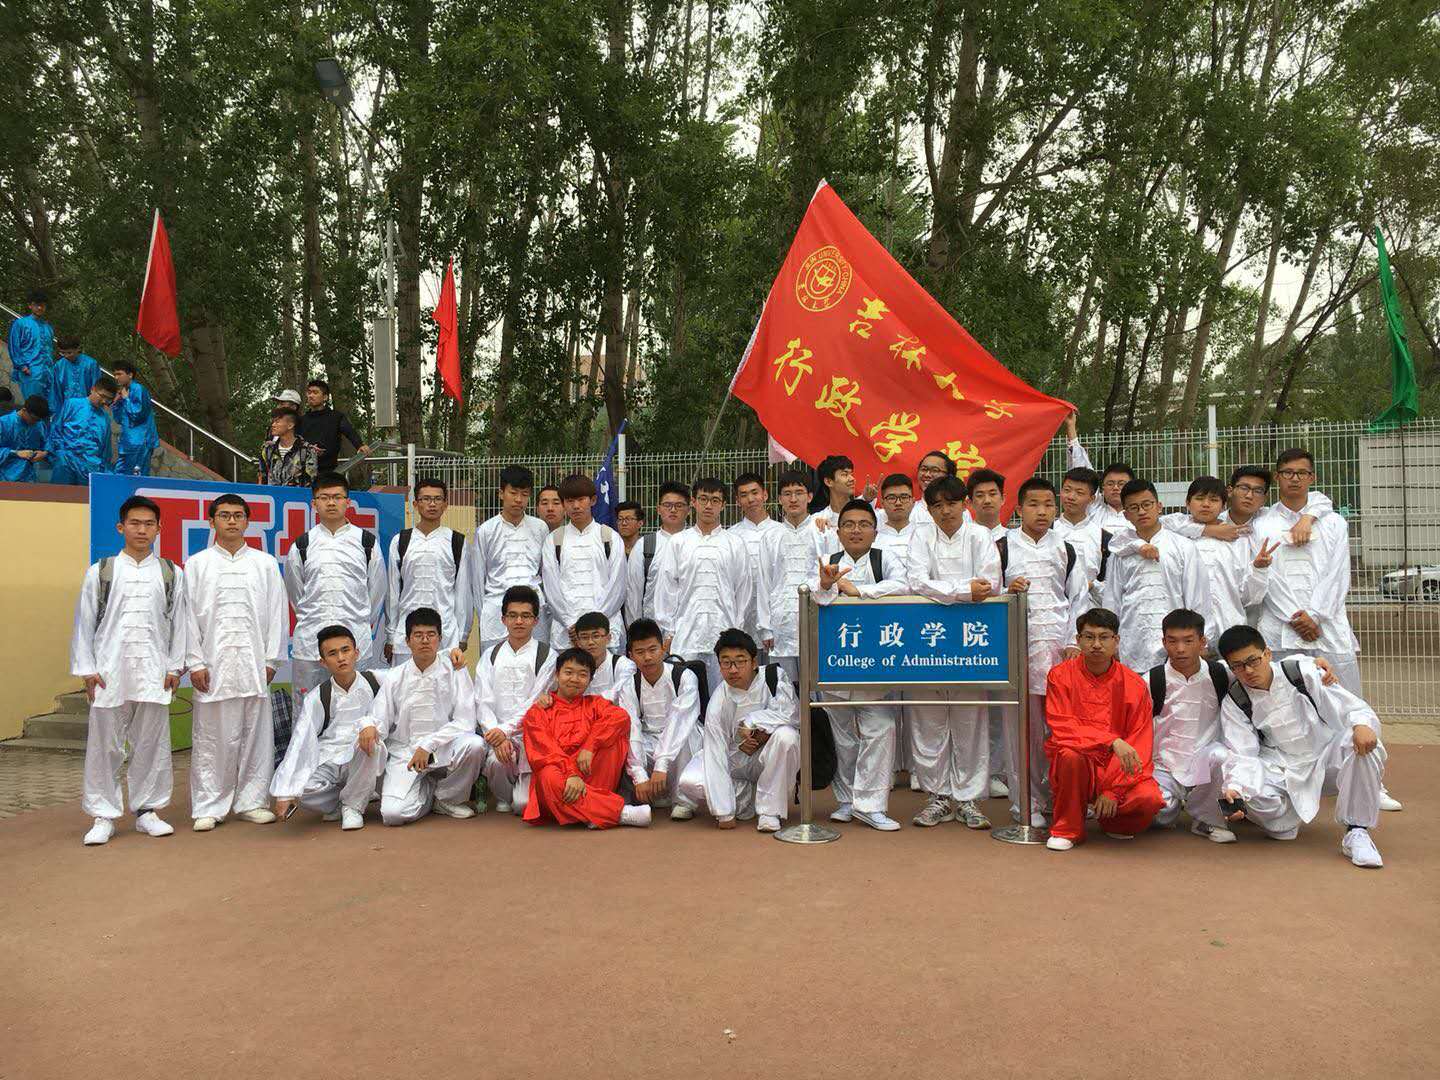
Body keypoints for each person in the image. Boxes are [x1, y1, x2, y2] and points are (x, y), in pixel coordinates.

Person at [1216, 624, 1386, 868]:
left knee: (1364, 745)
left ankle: (1357, 831)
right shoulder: (1235, 700)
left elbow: (1352, 707)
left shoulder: (1301, 672)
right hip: (1283, 767)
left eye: (1253, 660)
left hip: (1326, 756)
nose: (1249, 670)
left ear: (1268, 654)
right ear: (1230, 667)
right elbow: (1243, 754)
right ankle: (1284, 820)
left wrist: (1362, 724)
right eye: (1238, 666)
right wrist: (1236, 788)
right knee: (1248, 795)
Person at [71, 495, 187, 846]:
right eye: (134, 523)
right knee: (105, 746)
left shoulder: (170, 573)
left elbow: (179, 624)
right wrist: (87, 669)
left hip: (154, 672)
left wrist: (174, 666)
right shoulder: (102, 571)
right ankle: (103, 814)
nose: (141, 530)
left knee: (151, 744)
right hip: (110, 672)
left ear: (159, 529)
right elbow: (84, 623)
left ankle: (147, 811)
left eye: (149, 524)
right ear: (121, 527)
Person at [182, 494, 289, 831]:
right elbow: (187, 618)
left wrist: (272, 660)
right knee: (211, 739)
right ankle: (209, 805)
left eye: (238, 515)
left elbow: (278, 614)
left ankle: (251, 801)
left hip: (254, 666)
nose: (231, 521)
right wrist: (195, 662)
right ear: (211, 520)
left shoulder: (265, 564)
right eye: (224, 515)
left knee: (255, 737)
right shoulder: (197, 565)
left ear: (247, 521)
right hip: (212, 667)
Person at [904, 475, 1002, 828]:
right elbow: (916, 582)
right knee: (927, 720)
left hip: (971, 643)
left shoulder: (980, 536)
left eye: (952, 503)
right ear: (928, 509)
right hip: (927, 642)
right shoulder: (921, 536)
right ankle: (938, 797)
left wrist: (947, 591)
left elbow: (990, 584)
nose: (945, 511)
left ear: (965, 504)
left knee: (970, 720)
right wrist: (962, 592)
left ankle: (968, 798)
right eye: (937, 505)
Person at [997, 476, 1092, 825]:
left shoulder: (1066, 549)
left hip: (1059, 652)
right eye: (1034, 504)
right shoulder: (1002, 547)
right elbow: (987, 593)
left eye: (1048, 505)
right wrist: (1006, 589)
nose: (1041, 511)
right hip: (1017, 651)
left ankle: (1061, 795)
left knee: (1063, 729)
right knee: (1022, 731)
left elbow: (1078, 599)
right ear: (1019, 509)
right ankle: (1026, 802)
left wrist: (1073, 643)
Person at [811, 498, 908, 831]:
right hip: (836, 662)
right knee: (843, 738)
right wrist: (827, 584)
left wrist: (859, 592)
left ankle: (871, 805)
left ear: (875, 531)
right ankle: (846, 800)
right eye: (849, 525)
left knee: (880, 729)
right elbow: (813, 595)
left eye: (864, 524)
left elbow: (903, 586)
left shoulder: (885, 558)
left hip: (876, 664)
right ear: (838, 532)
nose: (856, 530)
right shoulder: (828, 562)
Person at [1043, 608, 1164, 851]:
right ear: (1078, 640)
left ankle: (1115, 822)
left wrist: (1113, 790)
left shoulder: (1134, 684)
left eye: (1104, 637)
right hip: (1079, 761)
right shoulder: (1060, 675)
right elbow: (1062, 725)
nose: (1096, 644)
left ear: (1116, 640)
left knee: (1149, 798)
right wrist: (1111, 741)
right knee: (1069, 755)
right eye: (1089, 637)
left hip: (1116, 767)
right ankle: (1068, 829)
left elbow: (1139, 741)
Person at [369, 607, 487, 825]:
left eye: (431, 635)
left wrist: (429, 744)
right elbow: (380, 720)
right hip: (407, 753)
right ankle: (429, 791)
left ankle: (447, 798)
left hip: (444, 748)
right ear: (407, 641)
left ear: (440, 639)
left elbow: (466, 721)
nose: (425, 640)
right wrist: (369, 727)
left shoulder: (454, 669)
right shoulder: (395, 677)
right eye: (418, 635)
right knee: (393, 815)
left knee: (475, 745)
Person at [676, 629, 801, 833]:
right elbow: (715, 752)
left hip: (766, 757)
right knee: (689, 782)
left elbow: (792, 715)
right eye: (726, 663)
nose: (733, 670)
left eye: (740, 661)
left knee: (787, 737)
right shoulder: (719, 700)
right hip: (736, 762)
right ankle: (745, 797)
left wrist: (752, 722)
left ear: (754, 662)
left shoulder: (773, 677)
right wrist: (724, 812)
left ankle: (769, 811)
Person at [284, 472, 387, 712]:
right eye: (324, 497)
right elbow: (296, 594)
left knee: (357, 709)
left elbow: (376, 593)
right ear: (314, 503)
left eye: (337, 497)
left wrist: (360, 620)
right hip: (311, 643)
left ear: (348, 502)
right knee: (307, 710)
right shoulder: (302, 545)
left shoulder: (366, 543)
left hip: (354, 640)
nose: (331, 503)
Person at [521, 647, 653, 829]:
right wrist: (571, 774)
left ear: (590, 680)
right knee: (547, 775)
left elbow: (620, 717)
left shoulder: (595, 704)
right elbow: (546, 751)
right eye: (568, 673)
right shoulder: (538, 712)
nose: (575, 679)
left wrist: (590, 746)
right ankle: (619, 813)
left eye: (582, 675)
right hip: (560, 778)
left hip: (589, 775)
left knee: (613, 738)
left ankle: (589, 811)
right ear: (557, 675)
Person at [270, 624, 386, 831]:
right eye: (332, 654)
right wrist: (285, 791)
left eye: (345, 650)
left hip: (363, 757)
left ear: (356, 653)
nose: (341, 658)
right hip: (330, 758)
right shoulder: (317, 696)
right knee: (302, 790)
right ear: (323, 662)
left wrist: (446, 655)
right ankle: (343, 801)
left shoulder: (375, 680)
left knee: (371, 744)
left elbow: (408, 671)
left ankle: (353, 807)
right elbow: (300, 741)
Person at [653, 476, 752, 692]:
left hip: (724, 630)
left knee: (724, 693)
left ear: (723, 505)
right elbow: (666, 589)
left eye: (715, 500)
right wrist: (668, 631)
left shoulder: (735, 543)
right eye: (703, 499)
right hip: (685, 632)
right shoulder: (678, 542)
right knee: (685, 693)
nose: (708, 505)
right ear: (693, 502)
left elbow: (743, 590)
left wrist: (736, 630)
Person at [1146, 609, 1237, 843]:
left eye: (1188, 641)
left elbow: (1263, 669)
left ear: (1202, 642)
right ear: (1163, 642)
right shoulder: (1152, 679)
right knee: (1155, 814)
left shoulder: (1220, 674)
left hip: (1203, 762)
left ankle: (1207, 819)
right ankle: (1172, 806)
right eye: (1173, 641)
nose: (1180, 649)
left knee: (1221, 755)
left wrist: (1313, 663)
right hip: (1164, 765)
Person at [1102, 479, 1206, 674]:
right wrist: (1110, 640)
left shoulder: (1183, 546)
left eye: (1147, 504)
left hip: (1177, 643)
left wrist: (1199, 638)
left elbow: (1197, 597)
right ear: (1126, 514)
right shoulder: (1120, 553)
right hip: (1133, 640)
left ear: (1159, 506)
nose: (1141, 511)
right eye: (1134, 507)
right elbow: (1112, 599)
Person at [473, 585, 556, 815]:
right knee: (496, 762)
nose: (519, 621)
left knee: (523, 805)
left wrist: (505, 731)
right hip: (498, 737)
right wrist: (496, 735)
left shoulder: (547, 655)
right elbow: (482, 701)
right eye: (513, 615)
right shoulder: (490, 655)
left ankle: (519, 794)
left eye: (526, 616)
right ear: (503, 619)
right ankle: (502, 795)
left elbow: (536, 702)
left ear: (536, 621)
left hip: (531, 736)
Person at [617, 617, 703, 818]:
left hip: (681, 737)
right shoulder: (629, 685)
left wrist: (662, 764)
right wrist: (639, 775)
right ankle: (647, 793)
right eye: (640, 652)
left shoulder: (684, 676)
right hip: (649, 737)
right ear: (631, 655)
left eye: (652, 649)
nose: (647, 657)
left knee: (685, 737)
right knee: (621, 741)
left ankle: (683, 801)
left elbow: (680, 719)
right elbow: (632, 727)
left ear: (663, 648)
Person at [387, 478, 471, 665]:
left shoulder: (456, 542)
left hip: (445, 634)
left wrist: (462, 635)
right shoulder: (401, 541)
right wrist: (391, 635)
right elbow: (393, 592)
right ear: (415, 504)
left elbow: (463, 592)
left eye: (437, 499)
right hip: (406, 634)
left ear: (445, 504)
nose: (432, 504)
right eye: (426, 499)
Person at [539, 473, 627, 650]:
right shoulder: (554, 540)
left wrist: (594, 625)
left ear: (593, 500)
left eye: (581, 499)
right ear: (564, 503)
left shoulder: (609, 537)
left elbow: (617, 586)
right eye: (570, 501)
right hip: (567, 634)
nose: (576, 506)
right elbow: (551, 588)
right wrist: (570, 623)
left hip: (605, 630)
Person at [470, 464, 550, 652]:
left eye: (524, 494)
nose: (518, 499)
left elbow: (545, 573)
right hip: (496, 614)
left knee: (535, 663)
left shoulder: (540, 528)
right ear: (501, 493)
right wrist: (485, 614)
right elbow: (478, 579)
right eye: (513, 493)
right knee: (496, 664)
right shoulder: (486, 531)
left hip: (534, 612)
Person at [756, 470, 823, 683]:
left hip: (816, 621)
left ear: (809, 497)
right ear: (779, 499)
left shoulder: (822, 532)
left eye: (799, 493)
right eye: (787, 493)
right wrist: (766, 628)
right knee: (784, 688)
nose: (793, 499)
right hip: (781, 624)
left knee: (817, 687)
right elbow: (764, 583)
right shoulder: (770, 536)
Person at [626, 480, 690, 623]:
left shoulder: (696, 544)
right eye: (667, 505)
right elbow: (633, 593)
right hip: (653, 629)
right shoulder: (645, 546)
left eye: (679, 505)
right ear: (658, 509)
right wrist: (636, 628)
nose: (673, 510)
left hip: (688, 627)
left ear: (689, 510)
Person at [732, 472, 781, 645]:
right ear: (737, 501)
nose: (751, 499)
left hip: (776, 617)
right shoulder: (731, 536)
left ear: (765, 495)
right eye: (744, 495)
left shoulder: (781, 532)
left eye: (755, 493)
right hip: (742, 617)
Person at [1052, 465, 1110, 606]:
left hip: (1091, 607)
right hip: (1053, 605)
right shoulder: (1047, 531)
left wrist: (1092, 586)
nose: (1071, 497)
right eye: (1067, 490)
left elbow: (1111, 583)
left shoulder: (1103, 537)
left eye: (1079, 492)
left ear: (1092, 498)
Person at [1065, 415, 1132, 531]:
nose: (1116, 488)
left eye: (1121, 484)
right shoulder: (1094, 508)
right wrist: (1071, 426)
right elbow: (1082, 470)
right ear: (1102, 488)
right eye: (1110, 484)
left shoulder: (1140, 515)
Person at [46, 375, 116, 485]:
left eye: (108, 399)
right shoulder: (72, 404)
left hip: (90, 466)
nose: (104, 401)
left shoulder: (105, 418)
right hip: (66, 460)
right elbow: (56, 429)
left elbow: (106, 448)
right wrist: (59, 453)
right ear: (92, 389)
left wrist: (103, 468)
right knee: (60, 493)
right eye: (102, 396)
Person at [295, 378, 370, 472]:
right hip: (304, 470)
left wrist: (360, 445)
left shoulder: (336, 417)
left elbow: (350, 432)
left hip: (328, 470)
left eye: (315, 392)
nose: (311, 395)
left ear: (325, 397)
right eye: (309, 392)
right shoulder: (301, 420)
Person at [572, 610, 636, 699]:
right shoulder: (572, 669)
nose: (590, 642)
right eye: (585, 637)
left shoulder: (623, 665)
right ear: (578, 642)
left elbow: (620, 693)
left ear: (608, 638)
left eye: (596, 636)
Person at [111, 361, 161, 476]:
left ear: (130, 375)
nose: (116, 377)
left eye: (119, 374)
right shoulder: (123, 391)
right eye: (115, 374)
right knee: (120, 474)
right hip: (127, 441)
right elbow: (119, 419)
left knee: (137, 475)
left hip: (140, 441)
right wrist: (117, 403)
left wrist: (126, 399)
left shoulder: (139, 389)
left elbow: (139, 414)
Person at [8, 287, 54, 404]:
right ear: (30, 305)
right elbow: (14, 346)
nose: (40, 308)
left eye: (42, 305)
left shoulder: (48, 328)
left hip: (47, 372)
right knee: (32, 405)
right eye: (36, 305)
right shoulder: (20, 324)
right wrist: (22, 366)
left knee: (46, 406)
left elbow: (50, 350)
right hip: (30, 371)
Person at [257, 406, 320, 487]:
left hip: (296, 494)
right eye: (273, 422)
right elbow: (261, 476)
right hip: (270, 494)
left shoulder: (307, 451)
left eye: (277, 422)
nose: (273, 425)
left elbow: (311, 481)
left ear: (290, 425)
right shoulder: (267, 449)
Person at [0, 395, 50, 482]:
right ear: (24, 410)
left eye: (38, 420)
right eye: (33, 419)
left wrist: (44, 453)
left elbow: (47, 443)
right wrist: (16, 453)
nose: (34, 422)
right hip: (5, 477)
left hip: (29, 477)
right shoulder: (3, 423)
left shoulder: (39, 425)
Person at [49, 334, 100, 417]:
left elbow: (97, 387)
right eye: (62, 353)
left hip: (88, 408)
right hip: (68, 408)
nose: (66, 356)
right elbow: (56, 391)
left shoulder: (91, 364)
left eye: (69, 353)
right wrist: (57, 412)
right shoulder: (59, 366)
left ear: (78, 349)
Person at [875, 471, 919, 554]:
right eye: (892, 498)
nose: (898, 503)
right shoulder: (873, 537)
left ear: (913, 502)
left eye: (904, 497)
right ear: (882, 503)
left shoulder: (923, 535)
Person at [965, 468, 1008, 540]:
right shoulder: (962, 539)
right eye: (980, 495)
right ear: (970, 502)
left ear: (1003, 499)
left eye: (992, 494)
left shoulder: (1014, 540)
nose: (987, 500)